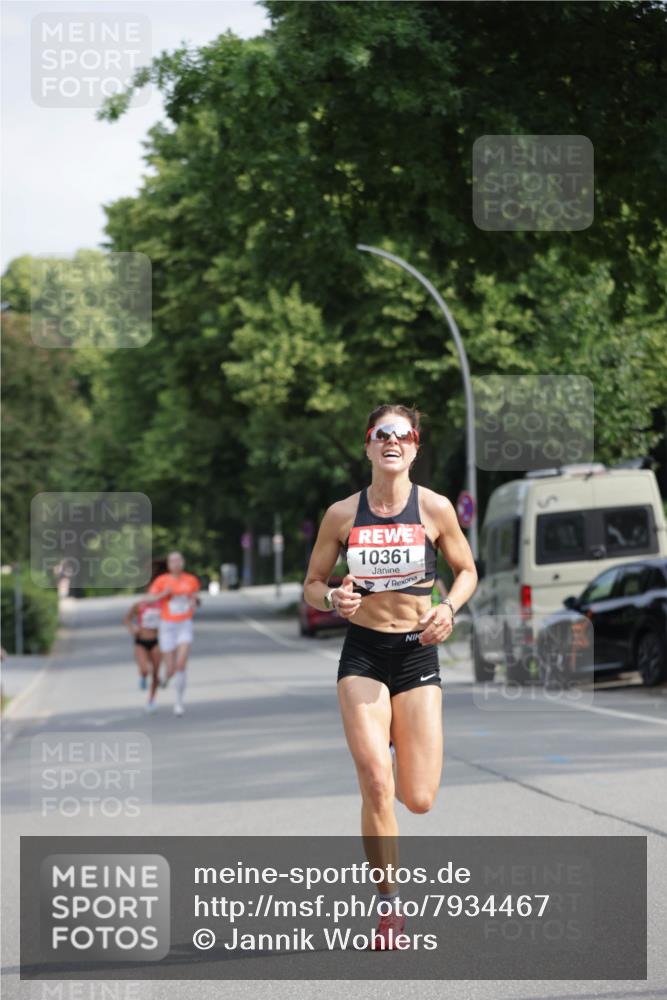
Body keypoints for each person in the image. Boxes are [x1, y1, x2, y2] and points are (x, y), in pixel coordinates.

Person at [304, 404, 477, 949]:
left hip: (416, 655)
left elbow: (467, 571)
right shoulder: (342, 514)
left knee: (418, 797)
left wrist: (447, 608)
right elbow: (312, 584)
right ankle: (389, 907)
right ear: (368, 445)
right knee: (377, 781)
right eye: (382, 434)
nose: (392, 441)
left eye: (403, 434)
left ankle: (399, 745)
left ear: (415, 446)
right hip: (364, 655)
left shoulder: (435, 508)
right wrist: (332, 598)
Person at [145, 552, 200, 716]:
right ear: (168, 565)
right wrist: (164, 593)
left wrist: (193, 602)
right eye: (172, 561)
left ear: (183, 562)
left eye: (178, 560)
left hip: (184, 624)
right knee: (170, 669)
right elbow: (149, 599)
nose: (176, 564)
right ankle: (166, 678)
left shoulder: (191, 580)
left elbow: (195, 599)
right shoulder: (161, 581)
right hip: (167, 626)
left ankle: (178, 703)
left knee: (181, 664)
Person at [123, 590, 162, 712]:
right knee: (144, 670)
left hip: (156, 641)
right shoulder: (139, 605)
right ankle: (143, 676)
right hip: (141, 641)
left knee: (155, 673)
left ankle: (151, 700)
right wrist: (132, 629)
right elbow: (127, 619)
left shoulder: (161, 605)